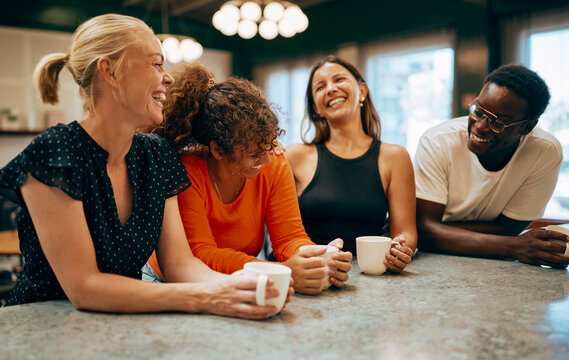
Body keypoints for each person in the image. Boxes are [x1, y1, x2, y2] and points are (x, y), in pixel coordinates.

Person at [0, 14, 291, 319]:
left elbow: (180, 264)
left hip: (125, 322)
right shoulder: (56, 152)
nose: (169, 77)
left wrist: (243, 286)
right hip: (41, 329)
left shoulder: (156, 154)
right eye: (156, 64)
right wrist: (208, 296)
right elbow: (85, 286)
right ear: (109, 71)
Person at [144, 64, 353, 295]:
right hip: (169, 282)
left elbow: (289, 238)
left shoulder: (274, 160)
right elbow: (201, 254)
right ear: (218, 150)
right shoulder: (187, 171)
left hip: (243, 278)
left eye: (269, 145)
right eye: (254, 153)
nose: (265, 159)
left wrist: (318, 259)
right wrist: (281, 270)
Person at [414, 64, 569, 269]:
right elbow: (425, 231)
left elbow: (509, 228)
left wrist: (440, 231)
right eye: (478, 111)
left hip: (489, 266)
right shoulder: (438, 141)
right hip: (428, 263)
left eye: (498, 123)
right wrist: (511, 247)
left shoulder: (545, 151)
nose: (479, 127)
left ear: (527, 127)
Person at [285, 55, 417, 274]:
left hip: (368, 274)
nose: (330, 89)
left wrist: (400, 249)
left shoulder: (395, 157)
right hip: (310, 272)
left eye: (339, 80)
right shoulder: (294, 156)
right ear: (316, 107)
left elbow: (406, 232)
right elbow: (280, 233)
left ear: (362, 90)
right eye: (320, 87)